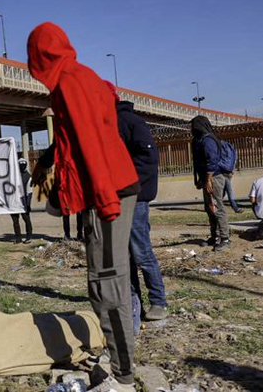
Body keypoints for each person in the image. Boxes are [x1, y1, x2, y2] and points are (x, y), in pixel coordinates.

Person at [28, 22, 139, 391]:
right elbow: (74, 140)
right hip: (107, 187)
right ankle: (120, 355)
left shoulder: (70, 83)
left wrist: (105, 200)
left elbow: (91, 143)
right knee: (106, 279)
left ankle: (123, 371)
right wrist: (48, 163)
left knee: (107, 282)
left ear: (41, 56)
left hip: (107, 191)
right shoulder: (79, 77)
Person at [113, 90, 168, 326]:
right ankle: (135, 304)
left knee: (141, 251)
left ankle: (159, 302)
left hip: (135, 198)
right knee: (126, 256)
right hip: (122, 197)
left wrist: (124, 182)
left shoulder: (130, 122)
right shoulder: (114, 123)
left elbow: (147, 159)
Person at [190, 115, 231, 251]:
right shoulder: (199, 140)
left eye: (194, 126)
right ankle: (215, 236)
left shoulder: (208, 140)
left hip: (214, 178)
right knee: (209, 208)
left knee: (217, 207)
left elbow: (211, 161)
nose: (192, 129)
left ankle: (225, 238)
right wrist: (199, 179)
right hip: (206, 178)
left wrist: (208, 179)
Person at [11, 158, 33, 244]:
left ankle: (29, 236)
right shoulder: (13, 176)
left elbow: (29, 191)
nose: (22, 166)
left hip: (23, 202)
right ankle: (18, 237)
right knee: (15, 220)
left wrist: (27, 204)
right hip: (14, 201)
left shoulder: (28, 177)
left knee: (26, 219)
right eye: (20, 165)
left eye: (23, 164)